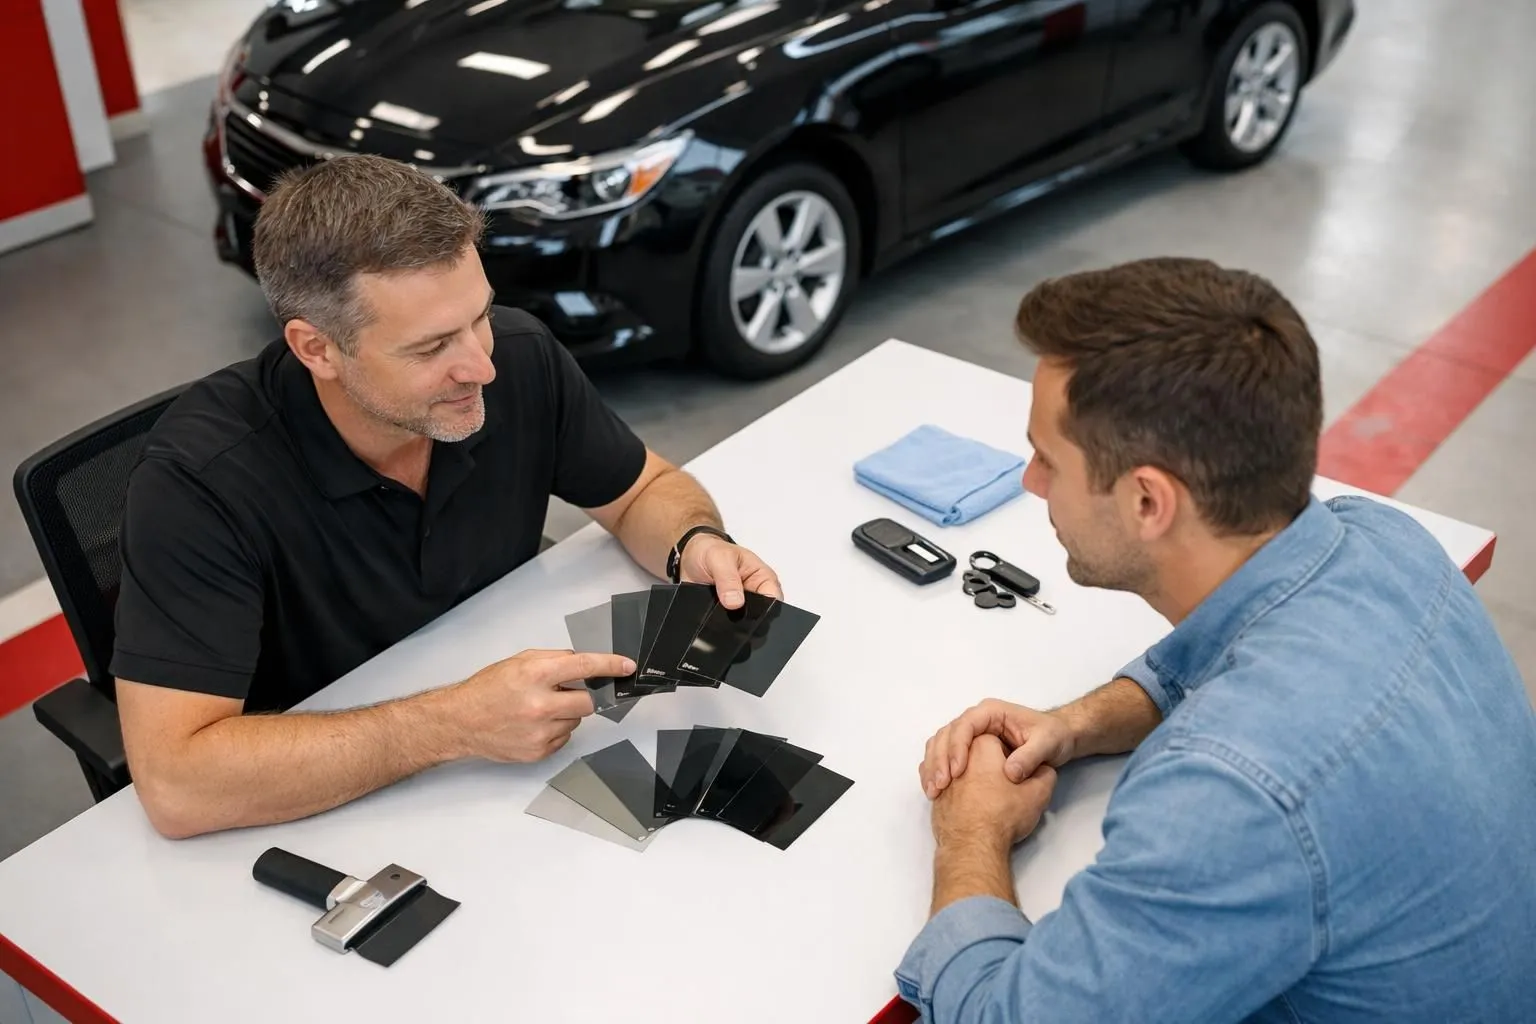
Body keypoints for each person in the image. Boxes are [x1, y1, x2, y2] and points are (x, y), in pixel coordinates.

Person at [899, 258, 1536, 1022]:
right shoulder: (1389, 542)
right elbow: (1218, 658)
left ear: (1146, 500)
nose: (1031, 481)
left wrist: (971, 835)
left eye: (1048, 459)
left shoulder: (1229, 798)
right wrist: (1074, 725)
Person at [112, 155, 781, 840]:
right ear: (317, 349)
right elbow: (176, 785)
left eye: (479, 317)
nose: (481, 366)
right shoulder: (199, 484)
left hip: (509, 779)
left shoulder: (517, 358)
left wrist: (695, 545)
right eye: (433, 346)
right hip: (329, 813)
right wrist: (454, 724)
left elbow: (645, 490)